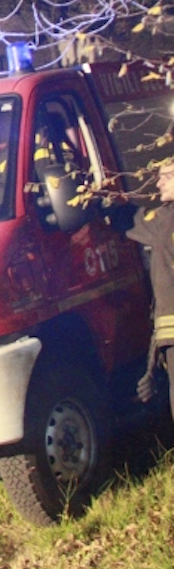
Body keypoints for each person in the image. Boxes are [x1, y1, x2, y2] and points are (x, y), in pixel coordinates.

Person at [117, 159, 174, 414]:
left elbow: (133, 221)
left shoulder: (166, 221)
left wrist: (104, 203)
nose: (159, 182)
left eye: (167, 177)